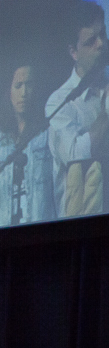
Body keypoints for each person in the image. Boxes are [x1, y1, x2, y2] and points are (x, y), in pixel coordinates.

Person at [45, 0, 109, 217]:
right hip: (79, 231)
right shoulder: (59, 103)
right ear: (73, 52)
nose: (101, 44)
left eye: (102, 34)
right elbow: (79, 152)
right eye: (91, 41)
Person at [0, 62, 55, 226]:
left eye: (29, 85)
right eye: (18, 86)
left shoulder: (48, 134)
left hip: (42, 230)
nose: (24, 93)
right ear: (9, 92)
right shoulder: (2, 143)